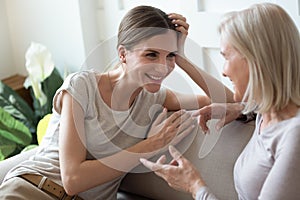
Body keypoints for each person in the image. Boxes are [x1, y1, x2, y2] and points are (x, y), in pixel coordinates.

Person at [0, 5, 234, 200]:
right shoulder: (82, 87)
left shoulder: (156, 98)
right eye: (151, 54)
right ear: (123, 54)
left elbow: (231, 100)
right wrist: (151, 145)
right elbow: (73, 179)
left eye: (169, 56)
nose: (163, 67)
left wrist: (182, 56)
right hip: (33, 190)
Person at [140, 3, 300, 200]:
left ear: (255, 60)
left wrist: (194, 186)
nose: (223, 70)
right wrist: (242, 110)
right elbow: (246, 103)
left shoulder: (294, 135)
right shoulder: (267, 112)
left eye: (226, 57)